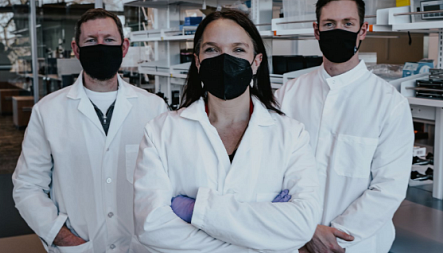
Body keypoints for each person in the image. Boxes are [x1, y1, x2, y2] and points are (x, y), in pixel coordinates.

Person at [133, 10, 321, 252]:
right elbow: (151, 227)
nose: (225, 59)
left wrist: (195, 211)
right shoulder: (161, 131)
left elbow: (302, 225)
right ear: (198, 61)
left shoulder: (291, 134)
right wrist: (263, 232)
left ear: (256, 62)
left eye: (238, 50)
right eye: (212, 49)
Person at [12, 8, 167, 253]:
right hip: (79, 245)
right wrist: (64, 238)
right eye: (91, 41)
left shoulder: (154, 108)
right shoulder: (48, 111)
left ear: (124, 47)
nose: (101, 46)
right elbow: (27, 186)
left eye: (109, 40)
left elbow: (167, 182)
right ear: (76, 49)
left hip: (140, 245)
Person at [275, 1, 414, 253]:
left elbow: (388, 188)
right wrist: (305, 230)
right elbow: (270, 170)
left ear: (363, 30)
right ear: (317, 31)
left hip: (356, 244)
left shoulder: (389, 104)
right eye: (330, 24)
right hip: (293, 238)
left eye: (348, 24)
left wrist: (333, 237)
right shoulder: (287, 95)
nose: (338, 31)